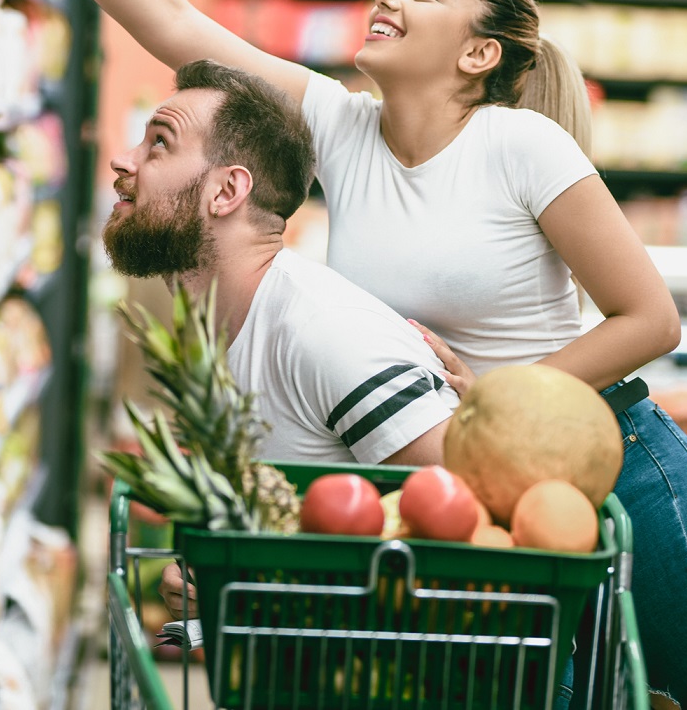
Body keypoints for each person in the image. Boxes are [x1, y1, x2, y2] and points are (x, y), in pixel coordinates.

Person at [0, 0, 687, 710]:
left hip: (630, 474)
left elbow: (650, 321)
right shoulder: (341, 127)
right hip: (486, 485)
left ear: (478, 53)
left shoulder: (521, 145)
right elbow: (173, 22)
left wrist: (501, 400)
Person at [105, 58, 457, 464]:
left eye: (160, 143)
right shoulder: (218, 326)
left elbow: (460, 507)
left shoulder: (327, 336)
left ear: (226, 192)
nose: (123, 160)